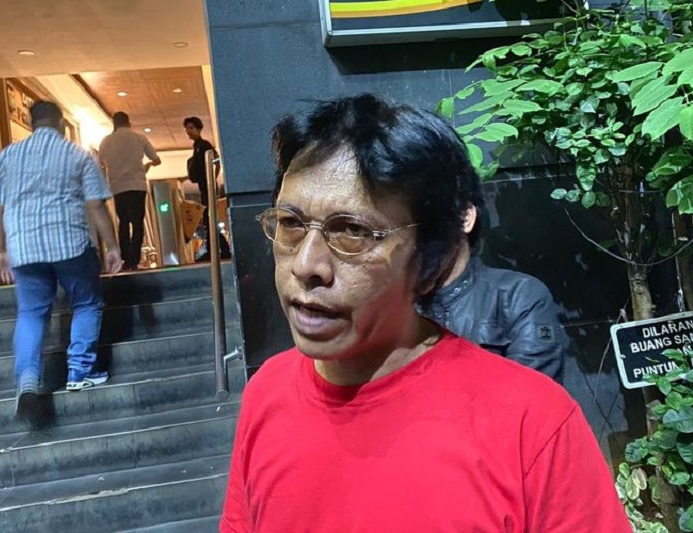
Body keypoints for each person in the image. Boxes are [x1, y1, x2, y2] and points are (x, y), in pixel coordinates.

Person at [220, 94, 630, 532]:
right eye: (291, 224)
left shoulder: (532, 423)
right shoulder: (266, 394)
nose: (306, 265)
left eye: (352, 231)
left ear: (432, 258)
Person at [0, 100, 122, 425]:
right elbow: (96, 206)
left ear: (31, 123)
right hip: (70, 245)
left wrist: (0, 251)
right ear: (61, 123)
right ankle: (79, 371)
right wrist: (112, 246)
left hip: (24, 249)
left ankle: (28, 379)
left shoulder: (6, 157)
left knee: (31, 313)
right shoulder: (78, 155)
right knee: (87, 303)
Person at [417, 185, 566, 382]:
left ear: (465, 216)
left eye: (427, 220)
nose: (415, 236)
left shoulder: (517, 296)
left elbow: (529, 391)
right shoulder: (394, 304)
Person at [98, 111, 161, 270]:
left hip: (118, 187)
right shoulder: (139, 138)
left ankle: (126, 258)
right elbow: (156, 159)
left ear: (114, 124)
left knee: (123, 222)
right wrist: (148, 165)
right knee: (138, 223)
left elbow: (100, 162)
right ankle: (134, 259)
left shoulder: (106, 141)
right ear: (129, 123)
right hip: (137, 186)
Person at [184, 116, 230, 260]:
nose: (188, 131)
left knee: (209, 219)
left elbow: (216, 162)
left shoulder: (203, 146)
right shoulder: (198, 146)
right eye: (187, 128)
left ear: (198, 129)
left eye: (191, 128)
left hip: (207, 186)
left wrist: (212, 179)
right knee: (209, 219)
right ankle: (219, 249)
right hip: (205, 186)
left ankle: (218, 250)